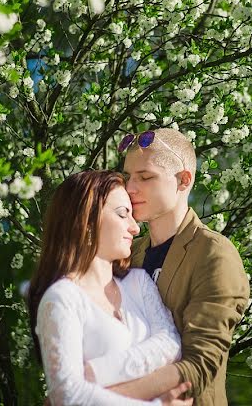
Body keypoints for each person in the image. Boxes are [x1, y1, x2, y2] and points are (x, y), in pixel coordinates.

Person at [27, 170, 194, 406]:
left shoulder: (138, 283)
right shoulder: (62, 298)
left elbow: (171, 344)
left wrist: (94, 373)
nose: (135, 228)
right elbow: (68, 396)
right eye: (122, 214)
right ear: (86, 223)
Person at [111, 128, 251, 405]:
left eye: (146, 176)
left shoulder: (214, 254)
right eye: (128, 176)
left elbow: (200, 364)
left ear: (183, 180)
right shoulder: (128, 253)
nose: (130, 188)